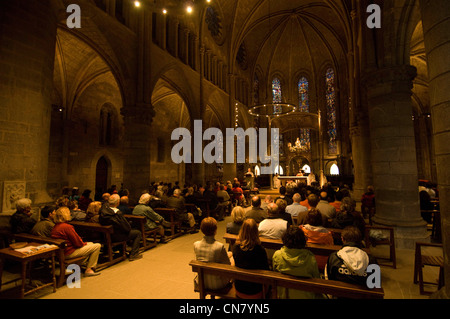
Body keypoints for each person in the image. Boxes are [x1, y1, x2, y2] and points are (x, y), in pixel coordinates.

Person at [272, 227, 322, 299]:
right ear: (303, 241)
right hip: (306, 296)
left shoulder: (278, 255)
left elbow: (275, 272)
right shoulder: (310, 258)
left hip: (284, 295)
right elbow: (316, 279)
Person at [51, 207, 101, 276]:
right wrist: (84, 243)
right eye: (68, 213)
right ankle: (89, 269)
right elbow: (78, 243)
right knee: (97, 246)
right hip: (68, 253)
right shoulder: (67, 227)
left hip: (61, 252)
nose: (70, 214)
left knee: (91, 244)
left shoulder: (56, 226)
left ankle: (81, 264)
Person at [232, 219, 270, 299]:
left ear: (242, 230)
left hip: (239, 289)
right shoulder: (260, 250)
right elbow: (266, 271)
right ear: (256, 232)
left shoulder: (236, 247)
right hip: (256, 292)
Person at [99, 194, 143, 261]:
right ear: (118, 203)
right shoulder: (117, 213)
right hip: (116, 237)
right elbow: (127, 228)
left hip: (105, 236)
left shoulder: (103, 210)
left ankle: (121, 251)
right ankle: (134, 254)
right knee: (137, 233)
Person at [194, 217, 232, 290]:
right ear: (215, 230)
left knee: (229, 254)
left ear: (202, 230)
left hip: (201, 282)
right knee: (232, 259)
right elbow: (228, 265)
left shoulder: (196, 244)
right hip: (217, 284)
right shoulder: (219, 246)